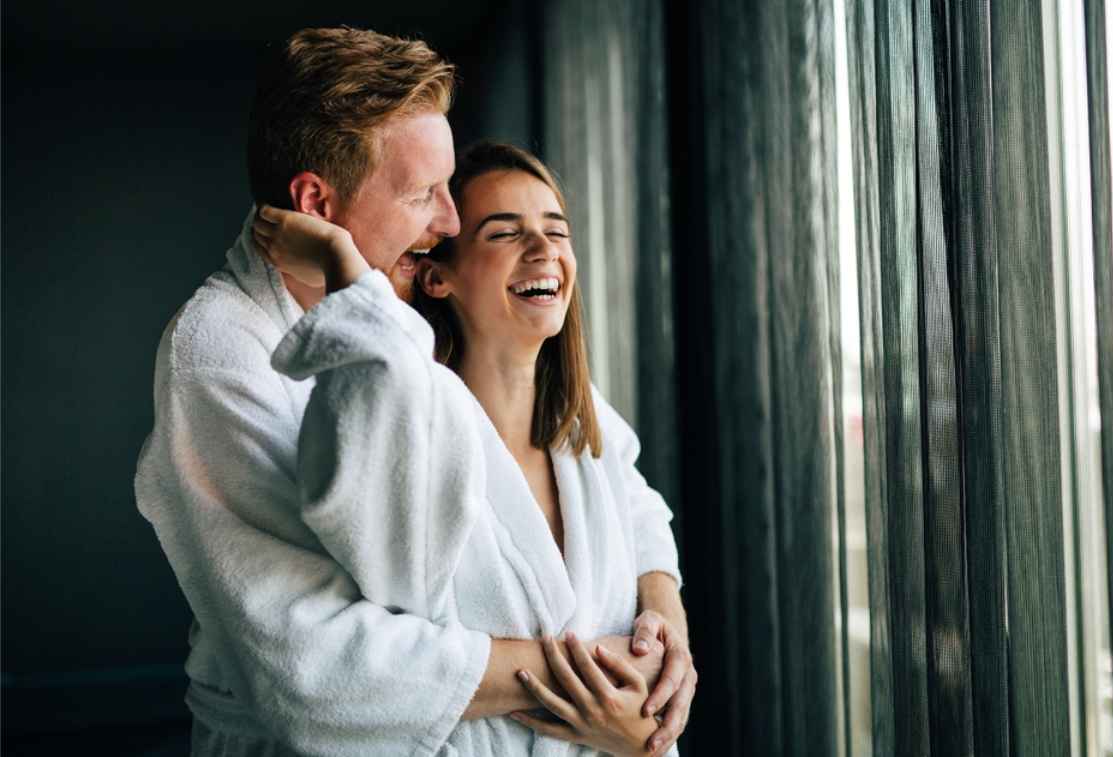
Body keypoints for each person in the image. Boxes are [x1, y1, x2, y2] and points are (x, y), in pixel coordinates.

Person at [133, 27, 694, 757]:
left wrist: (664, 620)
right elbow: (317, 669)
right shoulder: (220, 356)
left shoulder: (411, 322)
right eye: (426, 194)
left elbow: (616, 481)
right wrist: (595, 686)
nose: (449, 222)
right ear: (318, 203)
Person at [253, 142, 694, 756]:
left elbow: (645, 517)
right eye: (505, 234)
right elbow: (357, 669)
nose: (543, 251)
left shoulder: (585, 431)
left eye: (557, 231)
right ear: (438, 275)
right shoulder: (408, 431)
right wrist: (344, 269)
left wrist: (667, 626)